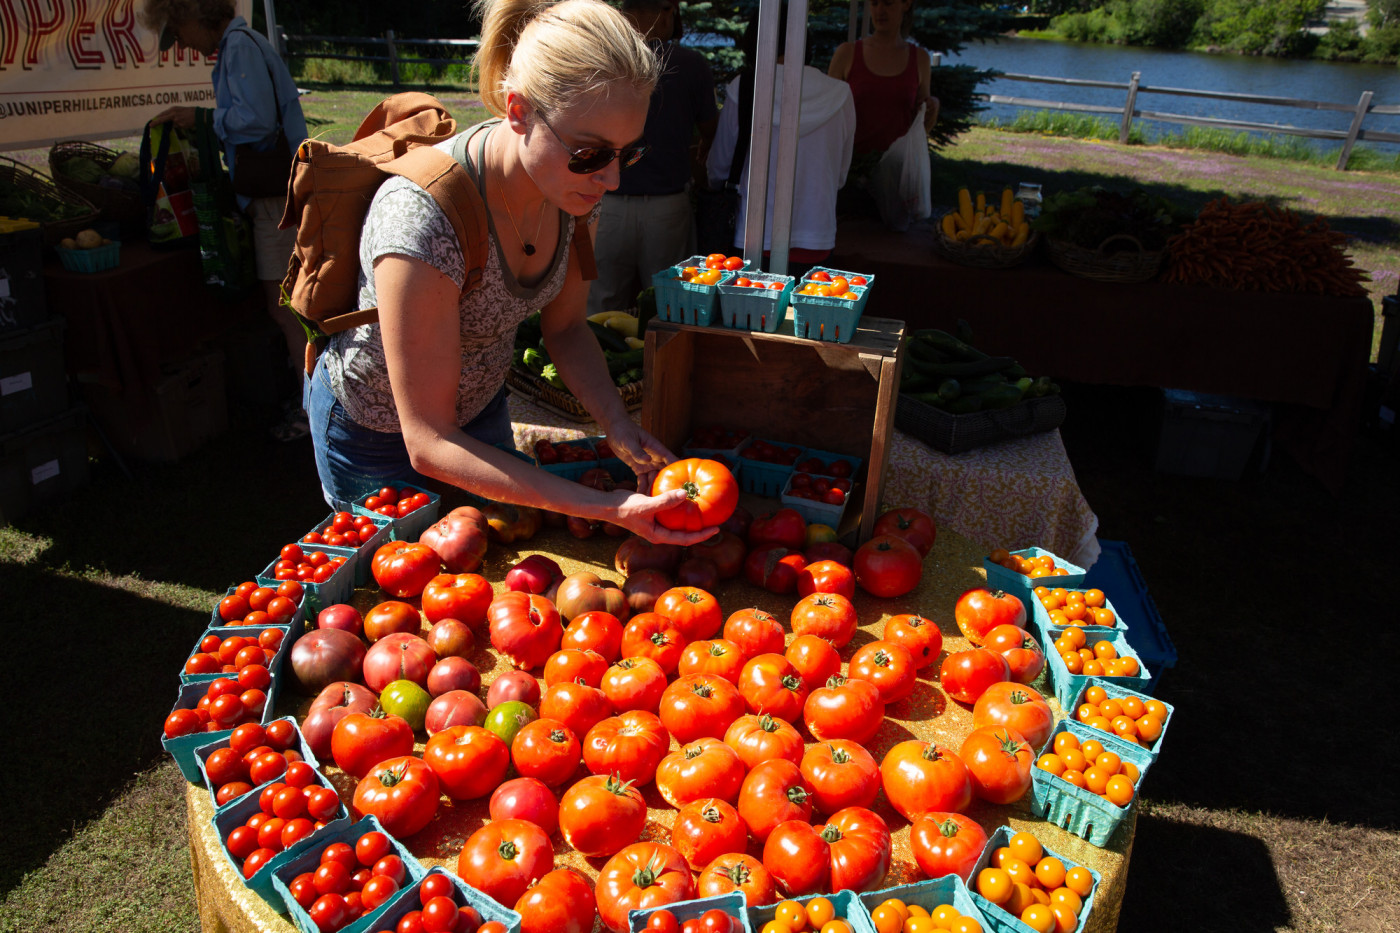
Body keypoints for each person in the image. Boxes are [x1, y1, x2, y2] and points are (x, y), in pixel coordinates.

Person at [302, 0, 709, 546]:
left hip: (480, 414)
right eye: (590, 153)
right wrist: (605, 507)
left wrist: (615, 420)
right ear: (519, 112)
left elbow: (565, 328)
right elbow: (427, 442)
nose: (611, 178)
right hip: (379, 436)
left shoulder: (572, 192)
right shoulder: (423, 216)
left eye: (626, 154)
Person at [142, 0, 311, 441]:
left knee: (288, 310)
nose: (184, 44)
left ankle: (315, 409)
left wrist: (198, 117)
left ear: (195, 17)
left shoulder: (238, 46)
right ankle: (314, 397)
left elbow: (254, 123)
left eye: (179, 32)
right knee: (293, 308)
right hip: (278, 194)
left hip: (275, 197)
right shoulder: (244, 44)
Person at [586, 0, 718, 317]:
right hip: (666, 209)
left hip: (606, 205)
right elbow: (711, 133)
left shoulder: (600, 60)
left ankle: (599, 366)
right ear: (666, 10)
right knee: (671, 310)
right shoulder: (691, 64)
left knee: (599, 311)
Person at [705, 12, 855, 278]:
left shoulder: (744, 88)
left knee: (747, 315)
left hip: (750, 236)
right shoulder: (840, 94)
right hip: (816, 234)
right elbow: (840, 176)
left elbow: (719, 168)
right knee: (805, 317)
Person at [827, 0, 939, 157]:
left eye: (888, 3)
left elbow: (920, 127)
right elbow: (827, 116)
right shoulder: (847, 54)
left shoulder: (920, 59)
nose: (880, 10)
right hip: (850, 170)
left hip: (897, 170)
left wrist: (933, 107)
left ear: (906, 4)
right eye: (874, 3)